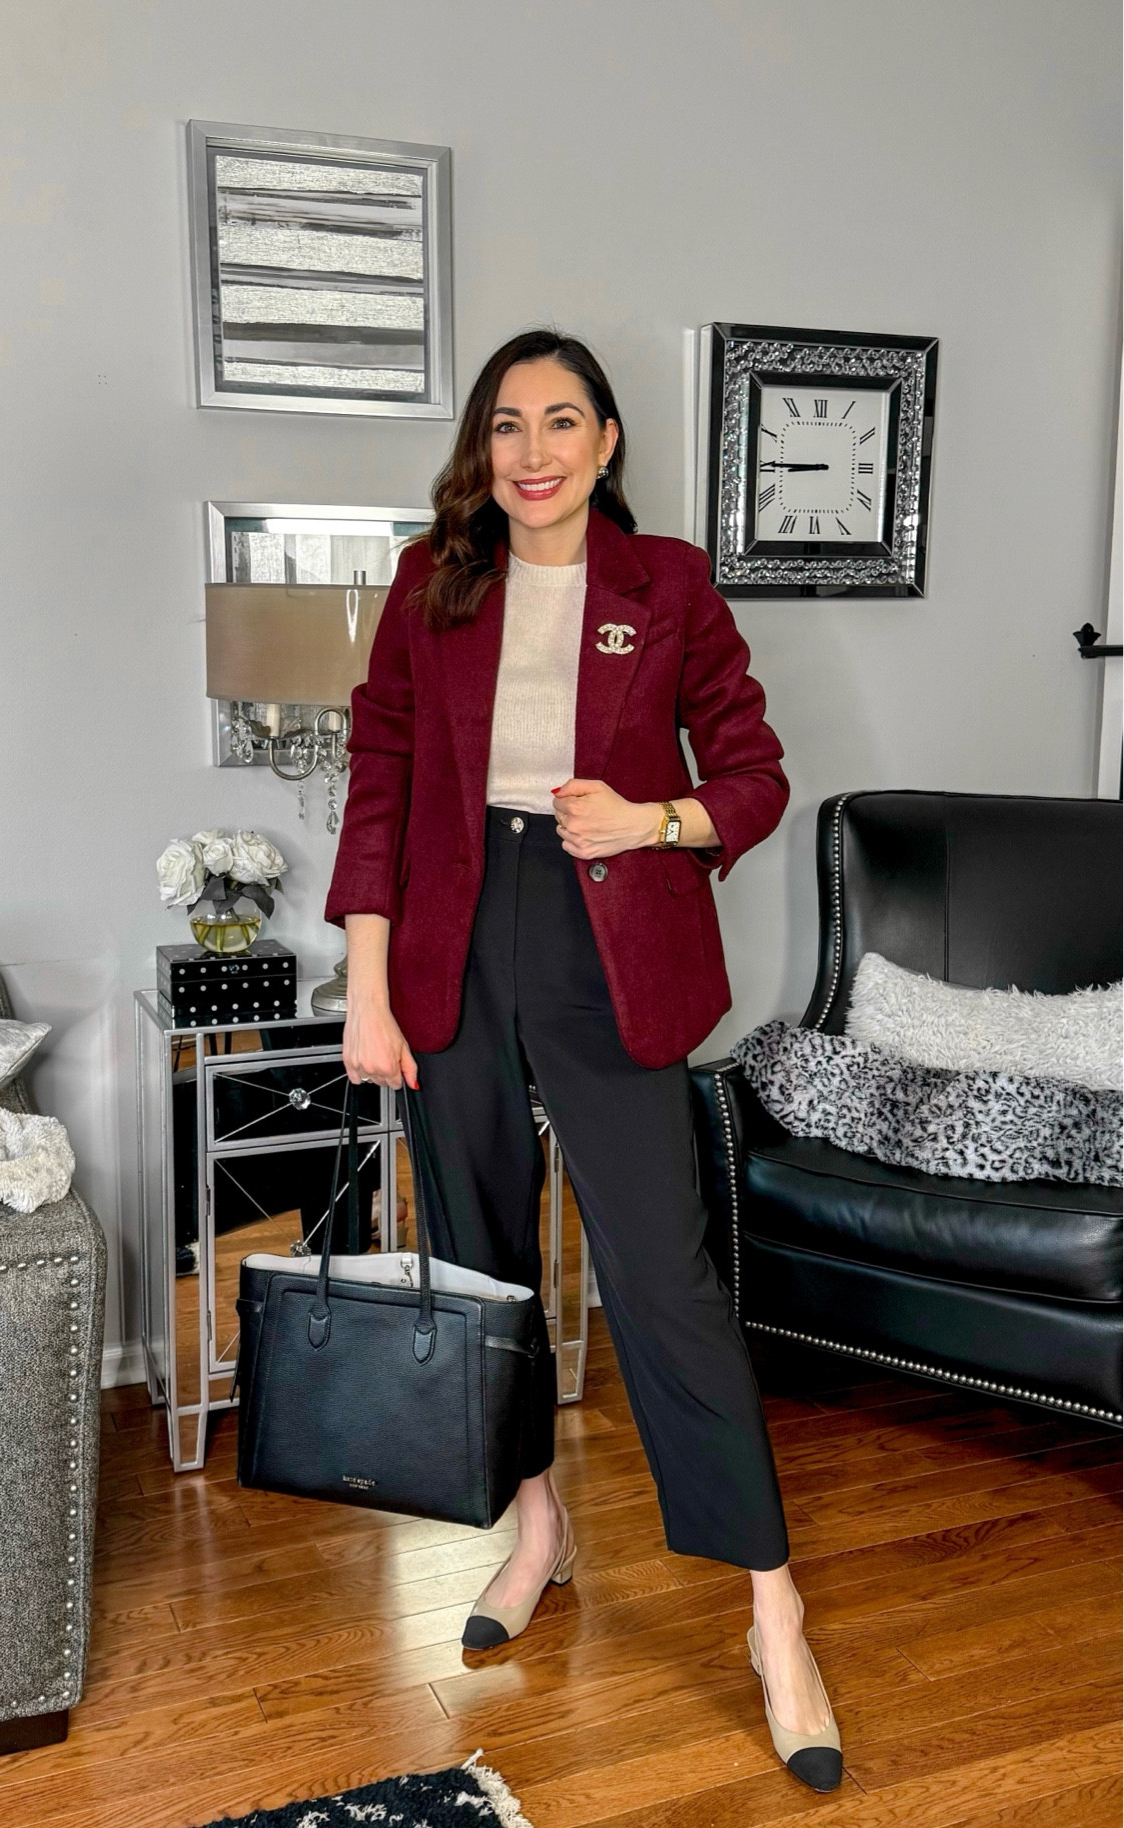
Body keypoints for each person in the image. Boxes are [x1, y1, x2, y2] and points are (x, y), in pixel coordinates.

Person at [325, 328, 842, 1793]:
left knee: (666, 1282)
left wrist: (655, 819)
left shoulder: (666, 583)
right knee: (487, 1265)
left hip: (608, 937)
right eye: (507, 425)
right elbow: (380, 779)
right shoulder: (438, 587)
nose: (533, 451)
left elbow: (752, 769)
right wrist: (370, 987)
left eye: (562, 422)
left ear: (609, 441)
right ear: (482, 450)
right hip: (448, 940)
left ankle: (771, 1610)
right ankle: (535, 1529)